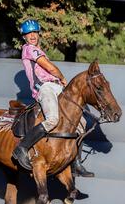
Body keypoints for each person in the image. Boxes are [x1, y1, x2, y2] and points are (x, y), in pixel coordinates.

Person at [12, 19, 94, 177]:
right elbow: (48, 67)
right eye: (28, 33)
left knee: (81, 122)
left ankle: (76, 163)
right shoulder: (29, 49)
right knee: (52, 120)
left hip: (56, 87)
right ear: (24, 37)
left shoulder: (39, 49)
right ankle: (22, 147)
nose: (32, 35)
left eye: (34, 32)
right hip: (45, 88)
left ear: (38, 33)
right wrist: (62, 77)